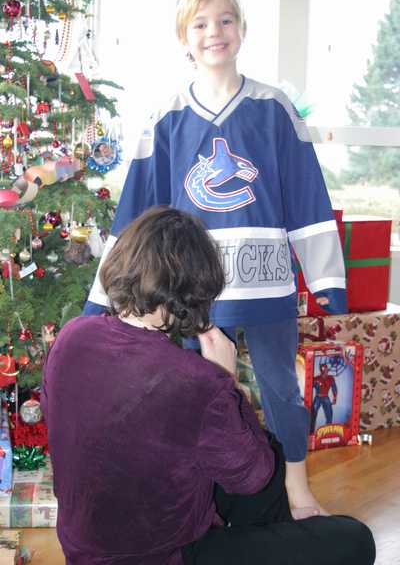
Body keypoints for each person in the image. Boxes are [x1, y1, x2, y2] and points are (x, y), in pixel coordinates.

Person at [83, 0, 348, 518]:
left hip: (267, 281)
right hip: (191, 289)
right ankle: (198, 497)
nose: (214, 32)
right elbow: (137, 211)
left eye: (226, 20)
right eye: (201, 23)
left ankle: (297, 489)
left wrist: (326, 278)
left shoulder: (274, 108)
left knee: (282, 389)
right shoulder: (166, 115)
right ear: (184, 37)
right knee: (192, 391)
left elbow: (306, 194)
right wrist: (103, 294)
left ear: (242, 29)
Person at [42, 206, 375, 565]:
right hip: (164, 556)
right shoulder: (197, 381)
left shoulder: (72, 335)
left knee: (267, 453)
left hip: (83, 547)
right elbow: (254, 477)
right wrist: (226, 382)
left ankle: (274, 535)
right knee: (355, 539)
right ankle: (275, 538)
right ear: (195, 288)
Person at [310, 361, 338, 433]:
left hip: (326, 397)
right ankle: (311, 431)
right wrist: (313, 381)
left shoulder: (330, 378)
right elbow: (309, 386)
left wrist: (335, 397)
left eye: (326, 370)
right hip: (318, 397)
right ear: (322, 371)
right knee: (313, 414)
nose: (326, 371)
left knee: (329, 414)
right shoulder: (317, 378)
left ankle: (328, 431)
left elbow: (334, 388)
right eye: (324, 370)